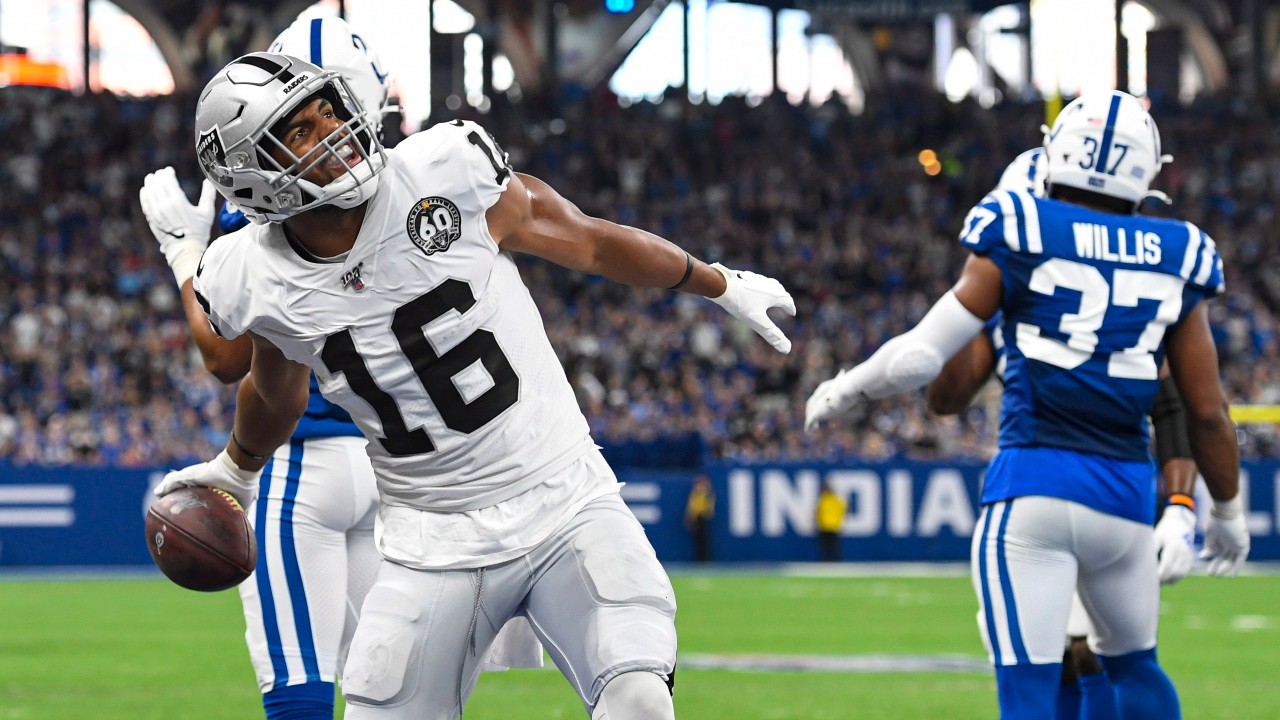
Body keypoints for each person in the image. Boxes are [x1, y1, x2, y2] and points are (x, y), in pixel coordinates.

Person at [156, 51, 795, 720]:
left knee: (639, 699)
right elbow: (273, 390)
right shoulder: (249, 275)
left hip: (562, 498)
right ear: (252, 172)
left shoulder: (443, 170)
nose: (334, 132)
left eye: (329, 112)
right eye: (301, 131)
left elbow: (590, 242)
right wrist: (237, 469)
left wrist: (719, 282)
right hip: (428, 541)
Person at [139, 18, 539, 720]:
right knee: (392, 695)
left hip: (303, 464)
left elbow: (228, 359)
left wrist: (183, 256)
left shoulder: (276, 206)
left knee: (301, 692)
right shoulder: (426, 182)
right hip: (403, 472)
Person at [805, 90, 1250, 719]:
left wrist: (849, 385)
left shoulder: (1019, 225)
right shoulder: (1178, 250)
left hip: (1033, 483)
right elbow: (1207, 411)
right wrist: (1225, 511)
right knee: (1134, 665)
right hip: (1122, 496)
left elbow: (924, 360)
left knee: (1028, 687)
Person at [927, 147, 1203, 720]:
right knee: (1074, 657)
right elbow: (945, 398)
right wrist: (966, 308)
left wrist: (1181, 504)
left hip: (1066, 485)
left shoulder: (1110, 290)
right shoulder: (1015, 292)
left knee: (1085, 655)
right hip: (1083, 486)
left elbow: (1172, 405)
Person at [684, 474, 715, 563]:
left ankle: (705, 558)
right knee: (697, 540)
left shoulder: (707, 494)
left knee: (704, 539)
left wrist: (704, 514)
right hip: (696, 518)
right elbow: (691, 507)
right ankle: (700, 558)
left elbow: (708, 508)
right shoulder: (694, 494)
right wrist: (690, 517)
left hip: (702, 518)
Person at [815, 480, 846, 562]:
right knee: (827, 547)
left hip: (831, 527)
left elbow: (843, 511)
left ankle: (834, 561)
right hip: (827, 527)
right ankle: (829, 561)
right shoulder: (825, 499)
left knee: (832, 547)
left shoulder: (830, 500)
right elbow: (818, 512)